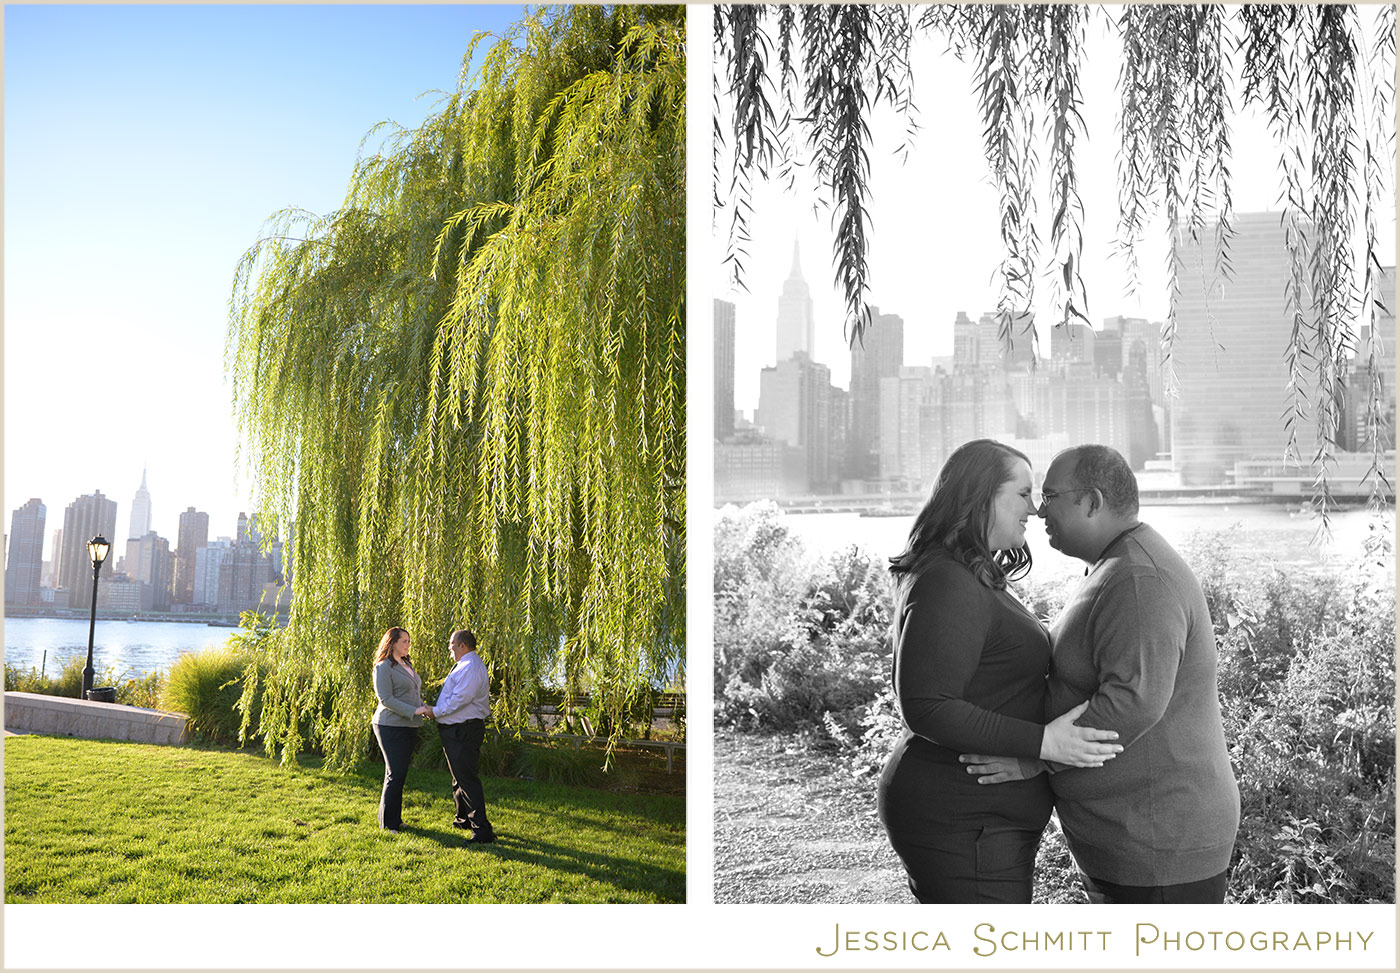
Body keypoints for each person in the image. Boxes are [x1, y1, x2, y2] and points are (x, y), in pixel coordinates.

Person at [965, 445, 1240, 903]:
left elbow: (1133, 702)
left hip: (1159, 845)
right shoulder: (1113, 565)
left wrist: (1034, 757)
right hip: (1133, 837)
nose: (1036, 510)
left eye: (1050, 496)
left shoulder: (1138, 580)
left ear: (1091, 501)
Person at [876, 438, 1123, 903]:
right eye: (1023, 493)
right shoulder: (949, 579)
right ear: (981, 495)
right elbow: (928, 705)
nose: (1033, 509)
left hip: (980, 820)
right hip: (963, 818)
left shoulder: (970, 573)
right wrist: (1046, 743)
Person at [422, 628, 496, 843]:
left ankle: (481, 830)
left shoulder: (471, 667)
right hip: (457, 729)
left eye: (451, 644)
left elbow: (460, 699)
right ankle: (463, 818)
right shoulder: (466, 665)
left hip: (463, 729)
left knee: (466, 778)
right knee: (459, 777)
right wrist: (435, 710)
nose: (449, 649)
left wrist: (435, 711)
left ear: (462, 645)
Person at [370, 626, 425, 832]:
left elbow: (411, 693)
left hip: (408, 724)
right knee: (395, 773)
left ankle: (391, 817)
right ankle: (389, 824)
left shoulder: (406, 664)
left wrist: (423, 708)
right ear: (392, 643)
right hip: (390, 725)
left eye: (409, 641)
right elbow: (386, 699)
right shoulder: (383, 667)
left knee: (396, 774)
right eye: (404, 641)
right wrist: (415, 710)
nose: (408, 645)